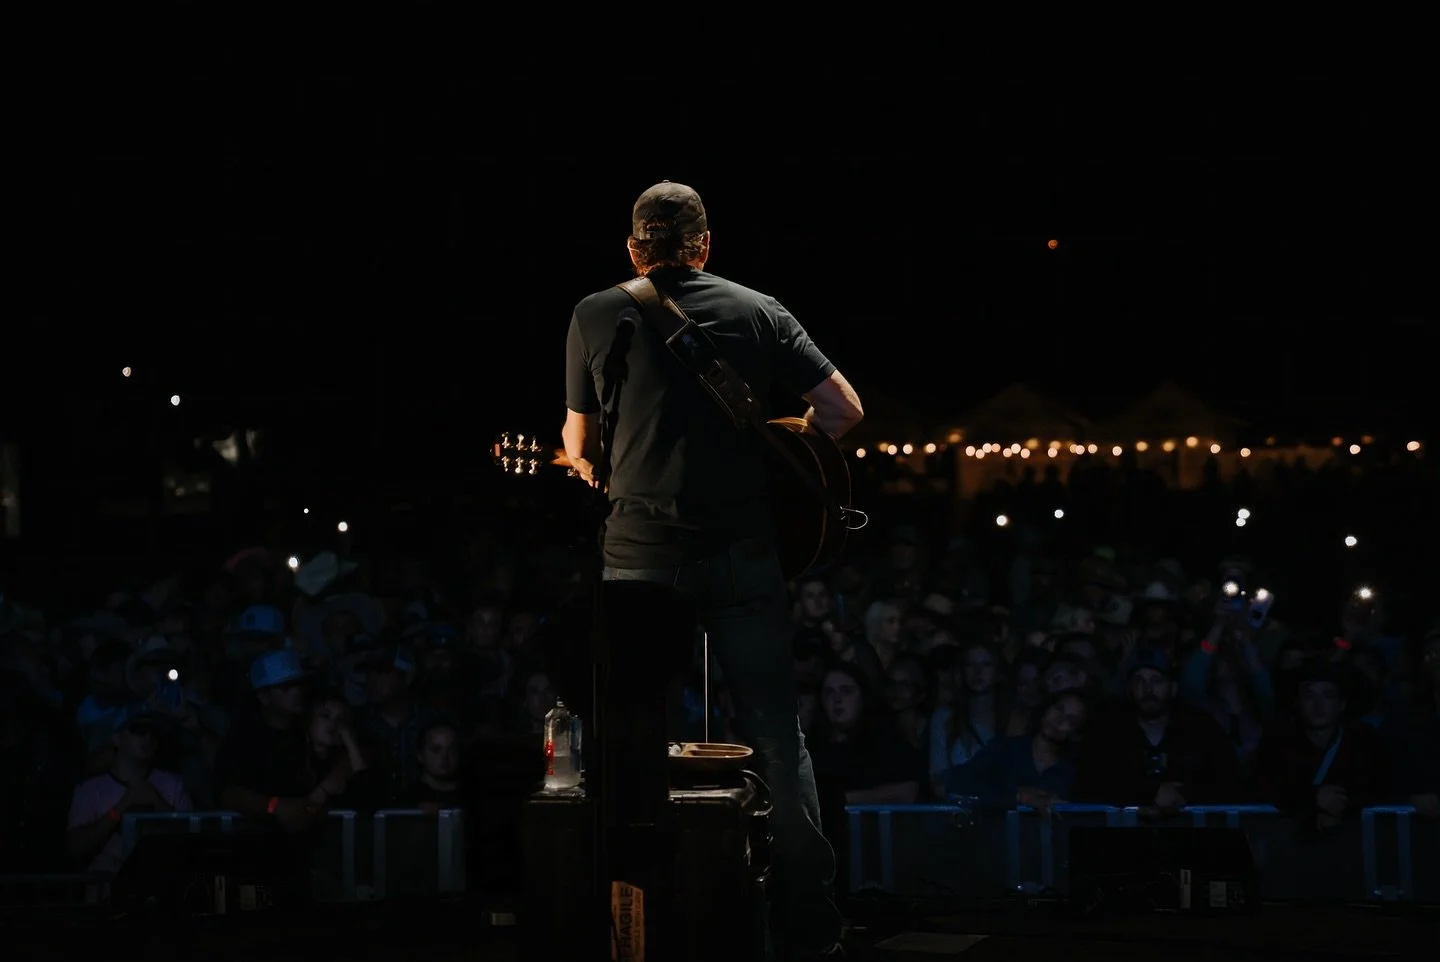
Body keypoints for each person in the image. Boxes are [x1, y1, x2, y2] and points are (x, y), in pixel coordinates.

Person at [562, 181, 862, 962]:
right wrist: (775, 448)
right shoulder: (760, 310)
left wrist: (595, 462)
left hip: (637, 561)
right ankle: (811, 925)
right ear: (704, 245)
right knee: (773, 735)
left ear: (633, 248)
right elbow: (842, 411)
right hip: (742, 554)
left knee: (629, 740)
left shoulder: (596, 313)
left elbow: (579, 447)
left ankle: (637, 921)